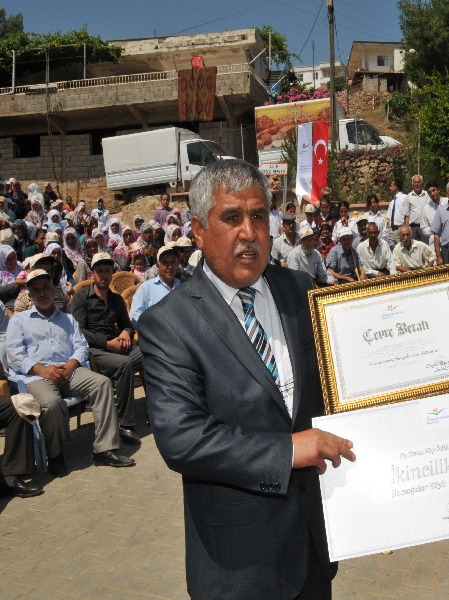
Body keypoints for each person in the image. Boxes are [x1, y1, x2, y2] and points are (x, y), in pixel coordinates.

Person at [137, 159, 355, 599]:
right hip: (238, 566)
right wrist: (287, 449)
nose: (249, 232)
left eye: (259, 216)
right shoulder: (169, 324)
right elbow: (182, 438)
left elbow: (344, 376)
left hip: (313, 546)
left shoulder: (299, 288)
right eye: (231, 217)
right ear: (198, 230)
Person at [7, 269, 135, 472]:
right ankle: (55, 455)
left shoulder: (66, 319)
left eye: (45, 288)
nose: (42, 293)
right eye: (36, 290)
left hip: (68, 371)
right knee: (52, 403)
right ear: (29, 296)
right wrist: (43, 370)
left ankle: (104, 449)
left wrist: (70, 365)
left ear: (53, 289)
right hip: (36, 376)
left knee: (101, 384)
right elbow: (15, 355)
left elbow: (81, 346)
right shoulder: (19, 320)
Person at [68, 253, 143, 446]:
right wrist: (107, 343)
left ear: (111, 273)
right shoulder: (81, 298)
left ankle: (161, 409)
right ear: (92, 273)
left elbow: (127, 325)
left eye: (107, 271)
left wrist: (126, 333)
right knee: (124, 364)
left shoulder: (116, 299)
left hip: (115, 345)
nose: (104, 275)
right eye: (99, 271)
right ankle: (126, 424)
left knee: (150, 351)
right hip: (93, 350)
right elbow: (79, 332)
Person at [130, 246, 181, 328]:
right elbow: (135, 316)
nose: (170, 267)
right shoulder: (146, 288)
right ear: (158, 265)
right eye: (166, 263)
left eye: (172, 262)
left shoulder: (182, 287)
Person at [1, 244, 26, 310]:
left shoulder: (20, 267)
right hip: (8, 308)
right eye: (8, 259)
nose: (12, 261)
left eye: (13, 257)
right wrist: (18, 284)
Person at [406, 174, 430, 241]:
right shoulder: (409, 196)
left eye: (418, 182)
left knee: (425, 248)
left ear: (422, 183)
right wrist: (407, 229)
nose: (417, 184)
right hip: (413, 228)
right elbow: (406, 215)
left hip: (424, 227)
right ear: (412, 184)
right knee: (413, 248)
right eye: (415, 182)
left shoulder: (427, 195)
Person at [386, 178, 408, 247]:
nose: (390, 188)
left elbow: (407, 214)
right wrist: (389, 229)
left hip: (400, 229)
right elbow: (389, 217)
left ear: (395, 187)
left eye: (391, 186)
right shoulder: (392, 202)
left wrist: (404, 227)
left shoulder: (404, 198)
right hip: (392, 231)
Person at [419, 182, 443, 248]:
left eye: (434, 190)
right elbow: (423, 228)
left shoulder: (447, 203)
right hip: (434, 245)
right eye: (429, 192)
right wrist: (434, 230)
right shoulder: (426, 209)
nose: (432, 193)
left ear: (438, 189)